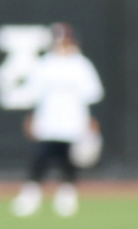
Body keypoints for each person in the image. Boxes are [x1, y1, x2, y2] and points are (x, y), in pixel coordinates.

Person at [10, 22, 104, 218]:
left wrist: (92, 120)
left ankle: (67, 195)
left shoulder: (81, 64)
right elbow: (33, 93)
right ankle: (31, 195)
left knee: (69, 160)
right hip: (48, 120)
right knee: (40, 156)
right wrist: (31, 117)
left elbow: (92, 95)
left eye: (64, 41)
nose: (61, 45)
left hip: (73, 120)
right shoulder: (45, 63)